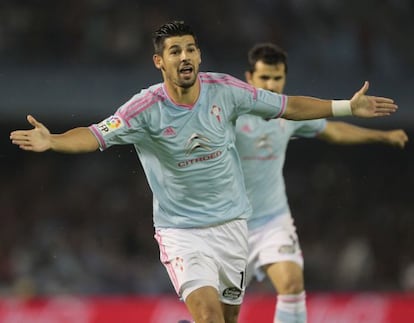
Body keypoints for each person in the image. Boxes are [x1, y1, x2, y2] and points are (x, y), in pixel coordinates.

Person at [9, 21, 398, 323]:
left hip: (232, 227)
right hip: (182, 233)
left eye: (191, 48)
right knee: (209, 315)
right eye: (175, 50)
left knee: (226, 319)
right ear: (159, 61)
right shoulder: (144, 109)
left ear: (199, 56)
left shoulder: (225, 91)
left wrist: (345, 106)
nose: (185, 56)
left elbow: (287, 106)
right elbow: (95, 135)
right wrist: (54, 139)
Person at [235, 43, 408, 323]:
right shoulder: (230, 115)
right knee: (217, 313)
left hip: (272, 220)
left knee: (292, 283)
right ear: (248, 78)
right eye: (264, 77)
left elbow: (333, 131)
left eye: (277, 78)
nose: (271, 84)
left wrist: (382, 137)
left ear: (285, 78)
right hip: (229, 224)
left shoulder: (290, 114)